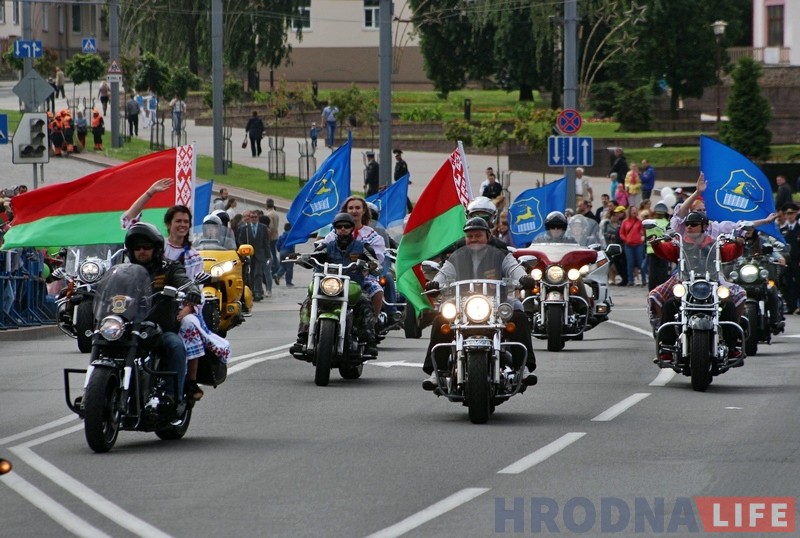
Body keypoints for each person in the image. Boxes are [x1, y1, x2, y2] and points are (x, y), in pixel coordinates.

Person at [123, 178, 217, 401]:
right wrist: (150, 192)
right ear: (168, 224)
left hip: (175, 307)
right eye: (178, 221)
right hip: (144, 304)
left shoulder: (191, 256)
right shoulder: (155, 244)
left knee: (188, 325)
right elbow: (129, 221)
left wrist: (187, 308)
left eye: (186, 221)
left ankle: (187, 383)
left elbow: (195, 286)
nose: (182, 225)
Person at [421, 217, 537, 390]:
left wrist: (524, 278)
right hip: (462, 303)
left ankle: (523, 367)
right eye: (470, 236)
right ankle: (437, 371)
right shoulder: (457, 256)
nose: (473, 239)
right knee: (440, 320)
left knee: (518, 317)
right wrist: (435, 283)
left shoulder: (501, 255)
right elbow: (444, 273)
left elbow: (514, 268)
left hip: (497, 303)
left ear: (487, 236)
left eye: (478, 235)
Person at [650, 211, 744, 366]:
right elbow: (666, 251)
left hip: (711, 283)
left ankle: (733, 346)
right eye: (687, 224)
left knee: (729, 305)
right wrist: (655, 244)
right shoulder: (680, 244)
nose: (689, 227)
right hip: (687, 283)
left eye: (693, 224)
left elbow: (729, 253)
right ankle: (666, 349)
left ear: (704, 226)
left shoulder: (714, 243)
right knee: (668, 304)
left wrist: (739, 244)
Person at [124, 223, 202, 406]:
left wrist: (192, 290)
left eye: (146, 247)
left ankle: (172, 396)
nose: (142, 251)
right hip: (129, 328)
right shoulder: (125, 271)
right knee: (104, 344)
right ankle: (94, 393)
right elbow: (107, 287)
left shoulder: (169, 267)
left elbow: (184, 280)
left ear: (156, 248)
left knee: (175, 346)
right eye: (137, 248)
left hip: (159, 329)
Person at [290, 212, 380, 356]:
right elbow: (314, 257)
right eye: (339, 226)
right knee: (309, 300)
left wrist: (372, 265)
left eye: (346, 226)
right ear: (335, 228)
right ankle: (303, 337)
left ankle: (369, 341)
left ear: (352, 228)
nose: (343, 229)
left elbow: (375, 262)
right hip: (329, 285)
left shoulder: (362, 247)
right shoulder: (327, 246)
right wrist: (302, 258)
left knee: (364, 302)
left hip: (352, 285)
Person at [322, 196, 386, 318]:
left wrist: (370, 264)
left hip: (361, 275)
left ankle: (372, 322)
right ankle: (307, 329)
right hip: (335, 276)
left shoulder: (372, 235)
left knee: (377, 290)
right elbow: (322, 249)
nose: (354, 211)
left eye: (358, 208)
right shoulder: (333, 234)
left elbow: (376, 257)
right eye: (350, 208)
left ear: (364, 211)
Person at [237, 210, 270, 301]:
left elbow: (266, 242)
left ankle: (258, 292)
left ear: (258, 217)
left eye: (255, 217)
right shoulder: (245, 228)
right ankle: (251, 291)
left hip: (260, 254)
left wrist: (268, 255)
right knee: (250, 274)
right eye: (252, 217)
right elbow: (240, 241)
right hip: (249, 255)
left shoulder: (263, 227)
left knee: (258, 273)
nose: (254, 219)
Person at [779, 202, 800, 314]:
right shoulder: (782, 230)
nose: (789, 216)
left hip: (797, 261)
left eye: (791, 213)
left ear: (796, 214)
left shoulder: (798, 228)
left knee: (797, 283)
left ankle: (797, 305)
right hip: (786, 261)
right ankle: (791, 306)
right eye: (787, 213)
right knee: (785, 283)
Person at [645, 202, 671, 291]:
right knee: (662, 272)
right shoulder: (666, 223)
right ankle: (662, 290)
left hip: (651, 249)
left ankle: (651, 290)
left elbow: (647, 235)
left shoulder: (650, 222)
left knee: (652, 272)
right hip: (663, 250)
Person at [619, 205, 645, 287]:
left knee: (641, 262)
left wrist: (642, 236)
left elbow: (643, 232)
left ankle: (643, 279)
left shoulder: (639, 222)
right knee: (630, 263)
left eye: (635, 210)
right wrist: (626, 239)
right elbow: (621, 233)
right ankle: (630, 280)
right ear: (629, 211)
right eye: (632, 210)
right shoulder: (625, 222)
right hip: (628, 245)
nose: (634, 212)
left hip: (638, 244)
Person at [602, 205, 628, 285]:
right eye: (613, 215)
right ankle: (611, 278)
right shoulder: (607, 224)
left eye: (616, 215)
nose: (615, 217)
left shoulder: (620, 223)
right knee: (610, 263)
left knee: (618, 263)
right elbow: (603, 233)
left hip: (618, 246)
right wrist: (610, 236)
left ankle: (619, 277)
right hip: (609, 245)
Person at [274, 223, 295, 287]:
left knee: (283, 266)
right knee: (289, 268)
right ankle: (288, 283)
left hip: (282, 252)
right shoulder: (291, 235)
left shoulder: (281, 235)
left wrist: (279, 250)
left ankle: (278, 275)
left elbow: (277, 244)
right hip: (288, 252)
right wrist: (293, 253)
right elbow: (292, 245)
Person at [265, 199, 280, 278]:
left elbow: (271, 227)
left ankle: (275, 269)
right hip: (276, 235)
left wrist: (269, 236)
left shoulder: (269, 214)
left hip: (272, 237)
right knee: (274, 253)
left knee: (272, 254)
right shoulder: (276, 213)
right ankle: (276, 268)